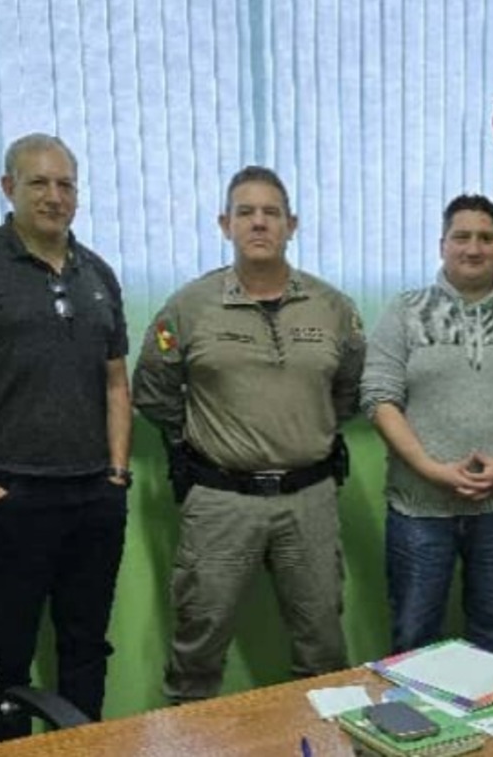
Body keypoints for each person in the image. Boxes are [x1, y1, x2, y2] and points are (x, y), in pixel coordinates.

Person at [133, 165, 365, 703]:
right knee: (198, 645)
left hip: (310, 498)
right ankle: (191, 738)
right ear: (226, 224)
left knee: (323, 647)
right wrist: (201, 438)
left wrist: (304, 428)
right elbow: (153, 390)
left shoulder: (333, 308)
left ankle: (321, 738)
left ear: (291, 225)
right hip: (221, 500)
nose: (259, 223)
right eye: (245, 212)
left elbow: (351, 388)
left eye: (271, 213)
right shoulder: (189, 307)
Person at [0, 133, 131, 727]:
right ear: (7, 187)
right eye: (38, 182)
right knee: (5, 656)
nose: (54, 196)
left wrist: (117, 472)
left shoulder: (98, 273)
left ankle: (84, 745)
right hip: (11, 495)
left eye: (65, 184)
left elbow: (116, 382)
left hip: (94, 496)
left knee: (87, 647)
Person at [360, 194, 493, 656]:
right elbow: (378, 397)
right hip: (419, 507)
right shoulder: (405, 311)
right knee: (414, 635)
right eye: (461, 237)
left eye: (485, 238)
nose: (473, 248)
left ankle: (488, 710)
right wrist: (430, 469)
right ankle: (414, 709)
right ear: (442, 244)